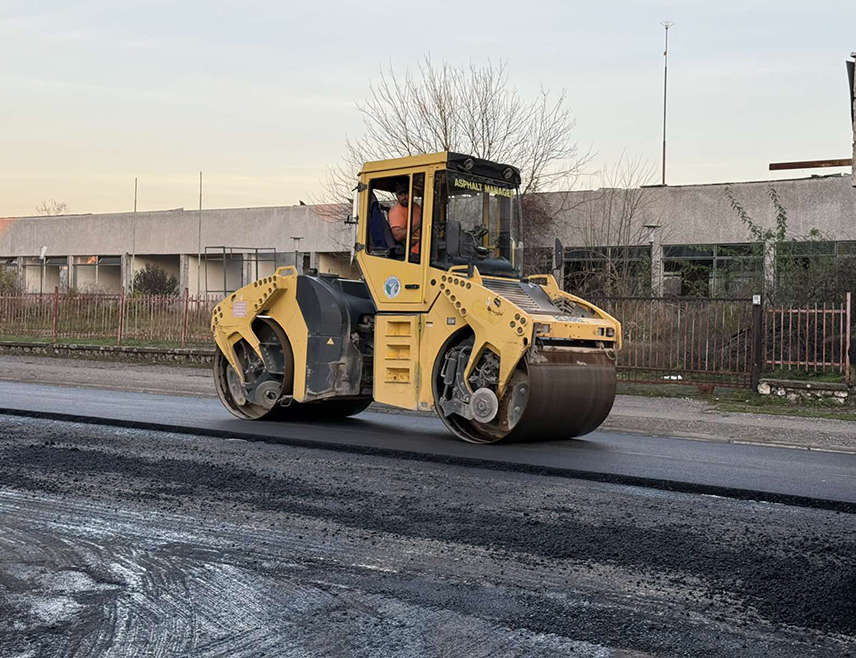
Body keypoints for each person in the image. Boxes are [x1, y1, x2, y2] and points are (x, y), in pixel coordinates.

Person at [388, 181, 421, 257]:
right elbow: (398, 235)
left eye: (406, 193)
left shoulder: (417, 207)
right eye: (400, 194)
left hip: (424, 245)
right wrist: (418, 225)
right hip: (412, 252)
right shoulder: (395, 211)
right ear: (396, 195)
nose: (404, 197)